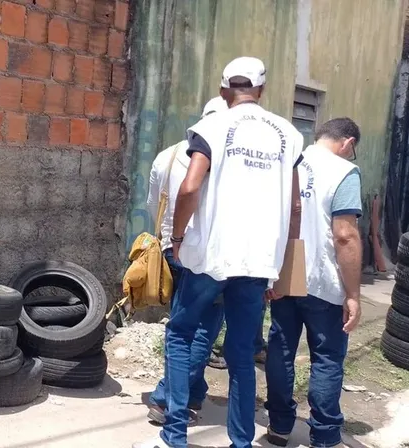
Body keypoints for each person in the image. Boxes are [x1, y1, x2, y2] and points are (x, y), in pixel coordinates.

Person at [134, 56, 304, 448]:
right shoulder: (289, 135)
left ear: (224, 90)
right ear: (261, 89)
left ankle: (173, 436)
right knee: (241, 353)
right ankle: (240, 443)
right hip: (259, 261)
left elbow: (191, 187)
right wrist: (284, 266)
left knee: (180, 336)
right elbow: (294, 206)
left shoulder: (212, 125)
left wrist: (177, 237)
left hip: (210, 258)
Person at [264, 118, 363, 448]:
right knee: (327, 357)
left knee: (280, 349)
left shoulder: (289, 160)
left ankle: (278, 425)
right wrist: (353, 294)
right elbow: (345, 234)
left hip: (285, 272)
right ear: (347, 143)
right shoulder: (343, 171)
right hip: (323, 278)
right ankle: (324, 435)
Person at [145, 97, 228, 427]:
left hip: (171, 249)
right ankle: (167, 399)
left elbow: (155, 205)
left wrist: (171, 239)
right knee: (200, 330)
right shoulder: (222, 158)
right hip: (207, 255)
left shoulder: (167, 156)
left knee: (183, 323)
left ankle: (194, 393)